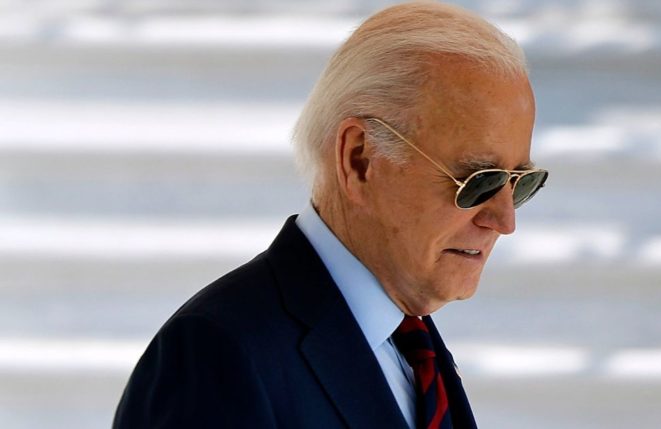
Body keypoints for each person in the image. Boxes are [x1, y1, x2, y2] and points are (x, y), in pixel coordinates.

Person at [113, 2, 548, 428]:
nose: (505, 220)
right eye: (479, 180)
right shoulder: (216, 356)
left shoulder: (411, 346)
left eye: (520, 183)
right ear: (359, 159)